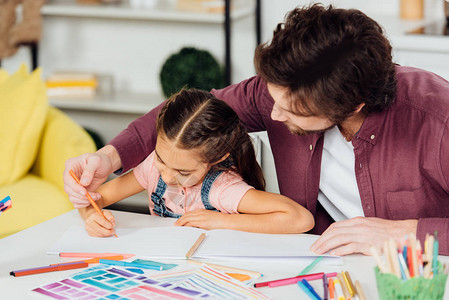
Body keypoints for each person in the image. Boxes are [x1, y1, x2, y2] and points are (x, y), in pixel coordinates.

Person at [64, 4, 449, 255]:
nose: (273, 115)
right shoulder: (277, 93)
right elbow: (186, 113)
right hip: (317, 263)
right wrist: (107, 157)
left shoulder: (436, 118)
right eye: (272, 97)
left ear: (352, 105)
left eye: (293, 110)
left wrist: (406, 233)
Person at [77, 88, 314, 237]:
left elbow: (300, 218)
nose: (168, 176)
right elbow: (94, 199)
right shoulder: (152, 168)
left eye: (183, 171)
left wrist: (221, 221)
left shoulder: (222, 188)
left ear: (217, 158)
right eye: (161, 158)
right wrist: (91, 217)